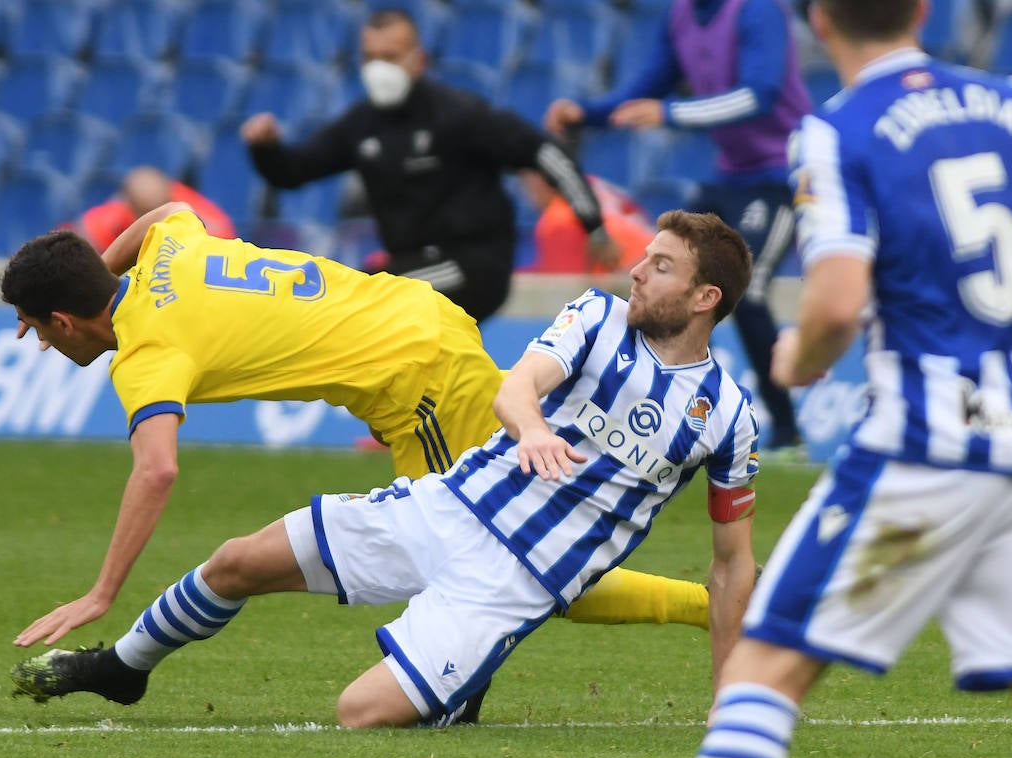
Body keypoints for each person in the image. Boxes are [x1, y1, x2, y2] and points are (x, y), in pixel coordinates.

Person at [8, 210, 761, 728]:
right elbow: (168, 209)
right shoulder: (172, 247)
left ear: (65, 321)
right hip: (413, 326)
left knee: (520, 542)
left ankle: (469, 670)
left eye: (43, 328)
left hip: (413, 378)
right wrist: (85, 280)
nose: (635, 272)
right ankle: (123, 668)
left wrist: (103, 588)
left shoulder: (146, 353)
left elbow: (157, 471)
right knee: (242, 561)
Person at [678, 2, 1012, 758]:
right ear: (926, 10)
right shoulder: (1006, 102)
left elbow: (835, 300)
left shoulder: (839, 128)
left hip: (934, 444)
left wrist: (799, 358)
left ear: (818, 21)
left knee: (764, 668)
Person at [240, 7, 618, 324]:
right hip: (412, 263)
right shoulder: (360, 125)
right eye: (370, 58)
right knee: (370, 304)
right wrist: (266, 148)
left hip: (475, 265)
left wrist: (594, 226)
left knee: (366, 294)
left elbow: (544, 154)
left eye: (390, 58)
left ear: (418, 60)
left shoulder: (457, 114)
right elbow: (294, 172)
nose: (378, 69)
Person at [547, 0, 811, 452]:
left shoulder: (757, 9)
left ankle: (787, 432)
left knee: (750, 294)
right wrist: (587, 113)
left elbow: (758, 95)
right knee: (656, 280)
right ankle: (634, 413)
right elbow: (648, 88)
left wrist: (670, 113)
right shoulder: (683, 13)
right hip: (730, 174)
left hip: (781, 175)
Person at [518, 171, 655, 275]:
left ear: (540, 180)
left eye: (525, 180)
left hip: (632, 282)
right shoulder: (591, 183)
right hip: (657, 263)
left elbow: (564, 293)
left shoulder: (559, 219)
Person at [74, 165, 236, 252]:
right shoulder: (109, 220)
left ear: (172, 197)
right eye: (146, 214)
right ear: (128, 205)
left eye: (161, 210)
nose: (157, 220)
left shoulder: (211, 225)